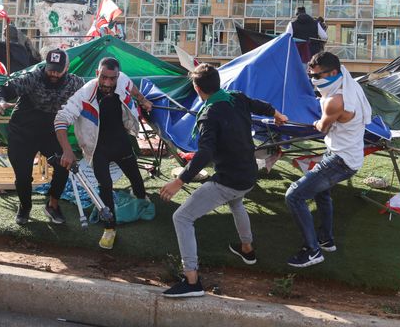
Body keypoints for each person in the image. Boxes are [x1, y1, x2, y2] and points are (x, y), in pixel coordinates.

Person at [159, 64, 288, 298]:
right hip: (248, 174)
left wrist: (180, 181)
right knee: (236, 202)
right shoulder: (235, 97)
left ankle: (192, 281)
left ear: (197, 89)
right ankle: (247, 249)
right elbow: (257, 104)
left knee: (182, 217)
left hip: (230, 179)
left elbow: (205, 153)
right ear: (218, 82)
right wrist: (275, 113)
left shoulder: (208, 115)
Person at [54, 57, 153, 249]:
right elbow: (61, 118)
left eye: (112, 79)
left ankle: (142, 200)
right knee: (105, 186)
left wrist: (143, 100)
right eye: (104, 78)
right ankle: (109, 228)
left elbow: (131, 86)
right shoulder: (84, 94)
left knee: (136, 177)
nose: (108, 83)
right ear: (97, 74)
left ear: (117, 75)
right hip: (98, 148)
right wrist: (67, 150)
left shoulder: (121, 78)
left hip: (121, 142)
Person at [284, 51, 371, 268]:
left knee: (294, 195)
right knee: (322, 194)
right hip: (345, 155)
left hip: (340, 161)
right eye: (311, 76)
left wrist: (315, 122)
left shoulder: (335, 101)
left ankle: (312, 250)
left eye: (317, 76)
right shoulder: (348, 84)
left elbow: (322, 128)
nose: (314, 81)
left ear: (333, 73)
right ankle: (326, 239)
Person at [0, 48, 85, 226]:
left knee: (63, 166)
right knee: (23, 175)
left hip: (50, 133)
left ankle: (53, 205)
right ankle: (25, 206)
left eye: (58, 69)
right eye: (50, 68)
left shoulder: (75, 83)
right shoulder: (32, 77)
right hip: (23, 131)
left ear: (67, 67)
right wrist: (0, 102)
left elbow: (92, 93)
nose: (54, 73)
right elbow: (2, 89)